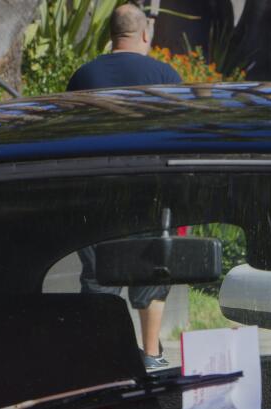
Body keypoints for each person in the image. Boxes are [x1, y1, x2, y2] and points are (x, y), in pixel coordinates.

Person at [68, 3, 182, 371]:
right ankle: (152, 355)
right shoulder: (164, 75)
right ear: (145, 34)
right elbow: (184, 133)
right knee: (152, 273)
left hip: (94, 194)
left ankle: (101, 359)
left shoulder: (84, 76)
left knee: (98, 279)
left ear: (111, 37)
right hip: (150, 191)